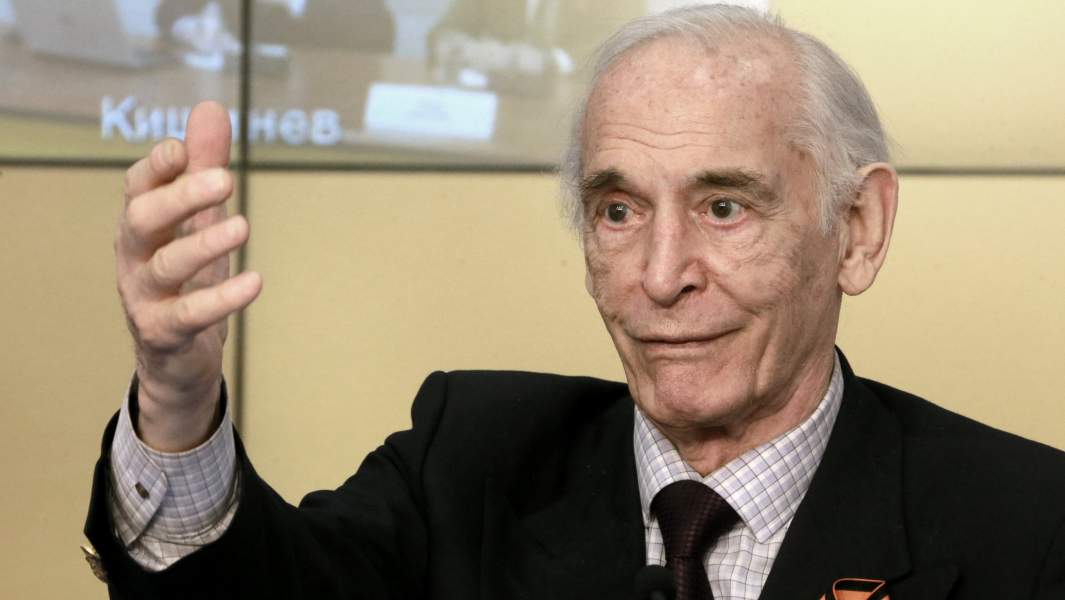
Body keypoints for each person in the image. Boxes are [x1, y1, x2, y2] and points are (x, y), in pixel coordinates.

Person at [84, 5, 1065, 599]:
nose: (661, 275)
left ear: (856, 227)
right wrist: (176, 403)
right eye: (619, 211)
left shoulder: (1028, 526)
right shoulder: (468, 460)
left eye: (724, 206)